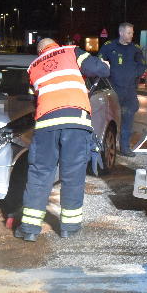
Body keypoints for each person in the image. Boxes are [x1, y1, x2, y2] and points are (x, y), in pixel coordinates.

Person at [14, 38, 110, 241]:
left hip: (46, 126)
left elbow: (35, 99)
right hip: (75, 123)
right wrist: (106, 65)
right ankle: (69, 227)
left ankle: (29, 229)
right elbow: (99, 69)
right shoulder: (71, 51)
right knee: (72, 175)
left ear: (39, 51)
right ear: (56, 45)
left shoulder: (33, 67)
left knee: (39, 176)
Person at [98, 23, 147, 156]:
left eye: (132, 33)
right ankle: (106, 147)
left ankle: (124, 148)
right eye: (129, 33)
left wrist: (133, 75)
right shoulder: (109, 46)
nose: (132, 35)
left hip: (129, 91)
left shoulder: (135, 49)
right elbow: (100, 63)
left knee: (128, 119)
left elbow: (142, 65)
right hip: (113, 90)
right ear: (121, 33)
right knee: (109, 119)